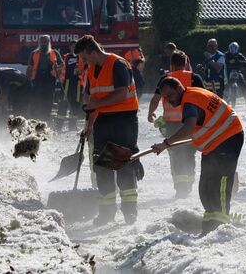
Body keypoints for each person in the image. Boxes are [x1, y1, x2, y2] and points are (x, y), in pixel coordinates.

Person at [151, 77, 244, 235]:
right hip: (214, 144)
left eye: (170, 95)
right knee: (206, 187)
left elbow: (189, 126)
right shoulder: (191, 95)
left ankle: (220, 227)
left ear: (179, 88)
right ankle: (209, 226)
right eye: (164, 98)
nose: (168, 100)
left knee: (219, 184)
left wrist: (166, 144)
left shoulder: (190, 101)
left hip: (228, 138)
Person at [77, 35, 142, 225]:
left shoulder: (118, 64)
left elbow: (121, 94)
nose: (84, 61)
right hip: (103, 122)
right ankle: (106, 213)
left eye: (85, 57)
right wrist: (87, 127)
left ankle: (130, 212)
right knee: (102, 167)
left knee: (123, 165)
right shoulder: (91, 70)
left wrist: (96, 103)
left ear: (94, 52)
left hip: (124, 121)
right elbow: (90, 102)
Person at [147, 50, 206, 198]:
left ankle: (180, 188)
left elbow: (155, 99)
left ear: (171, 64)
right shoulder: (194, 77)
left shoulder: (166, 79)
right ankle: (189, 184)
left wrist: (150, 113)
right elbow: (203, 99)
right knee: (189, 154)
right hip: (191, 123)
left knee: (176, 156)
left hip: (172, 124)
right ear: (186, 63)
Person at [26, 35, 62, 121]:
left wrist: (58, 69)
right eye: (42, 41)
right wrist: (27, 80)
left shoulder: (55, 53)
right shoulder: (34, 53)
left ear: (49, 42)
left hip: (49, 81)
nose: (43, 43)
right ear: (39, 42)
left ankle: (45, 121)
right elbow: (29, 67)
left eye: (45, 41)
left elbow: (61, 65)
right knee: (35, 101)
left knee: (48, 102)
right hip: (37, 80)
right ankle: (34, 121)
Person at [57, 40, 87, 131]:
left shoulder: (82, 58)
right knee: (63, 103)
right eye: (73, 46)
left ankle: (72, 126)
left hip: (78, 84)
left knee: (75, 104)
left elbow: (85, 69)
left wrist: (80, 71)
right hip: (67, 83)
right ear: (70, 47)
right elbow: (61, 68)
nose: (74, 48)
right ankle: (58, 126)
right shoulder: (66, 57)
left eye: (76, 46)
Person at [224, 41, 246, 106]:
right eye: (231, 48)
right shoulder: (226, 54)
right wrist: (228, 62)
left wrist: (239, 62)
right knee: (225, 85)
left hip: (237, 72)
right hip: (227, 72)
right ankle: (225, 100)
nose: (233, 50)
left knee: (243, 85)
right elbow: (224, 61)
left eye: (235, 48)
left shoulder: (239, 55)